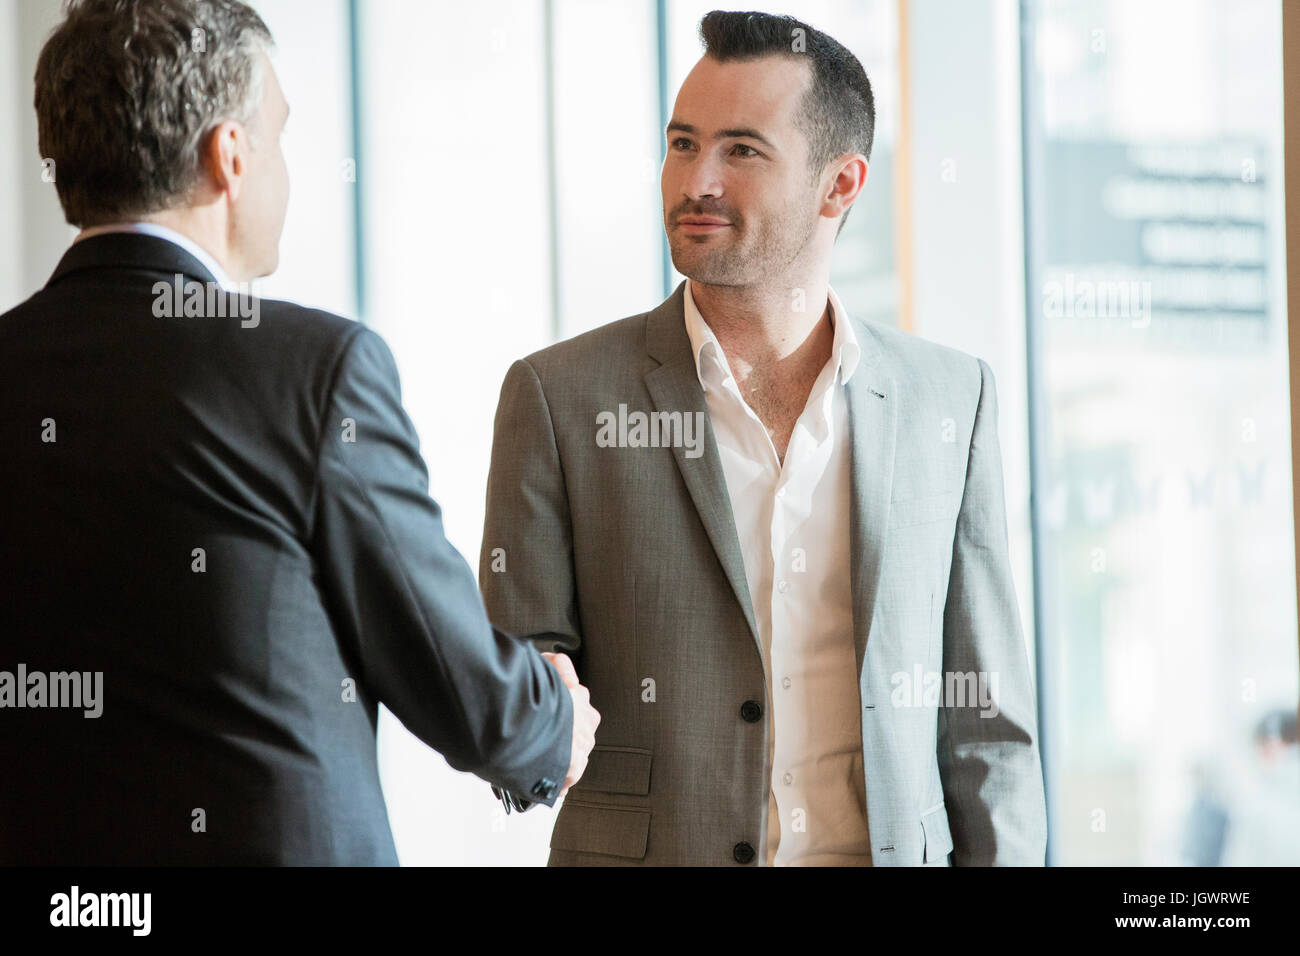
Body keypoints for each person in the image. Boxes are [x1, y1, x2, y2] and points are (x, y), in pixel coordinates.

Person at [0, 0, 597, 865]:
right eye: (276, 138)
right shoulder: (311, 370)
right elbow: (459, 684)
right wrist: (554, 719)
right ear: (229, 158)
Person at [482, 9, 1045, 865]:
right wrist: (532, 706)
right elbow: (509, 682)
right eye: (681, 144)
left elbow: (986, 729)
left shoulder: (950, 399)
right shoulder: (558, 398)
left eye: (741, 150)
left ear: (840, 185)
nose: (695, 180)